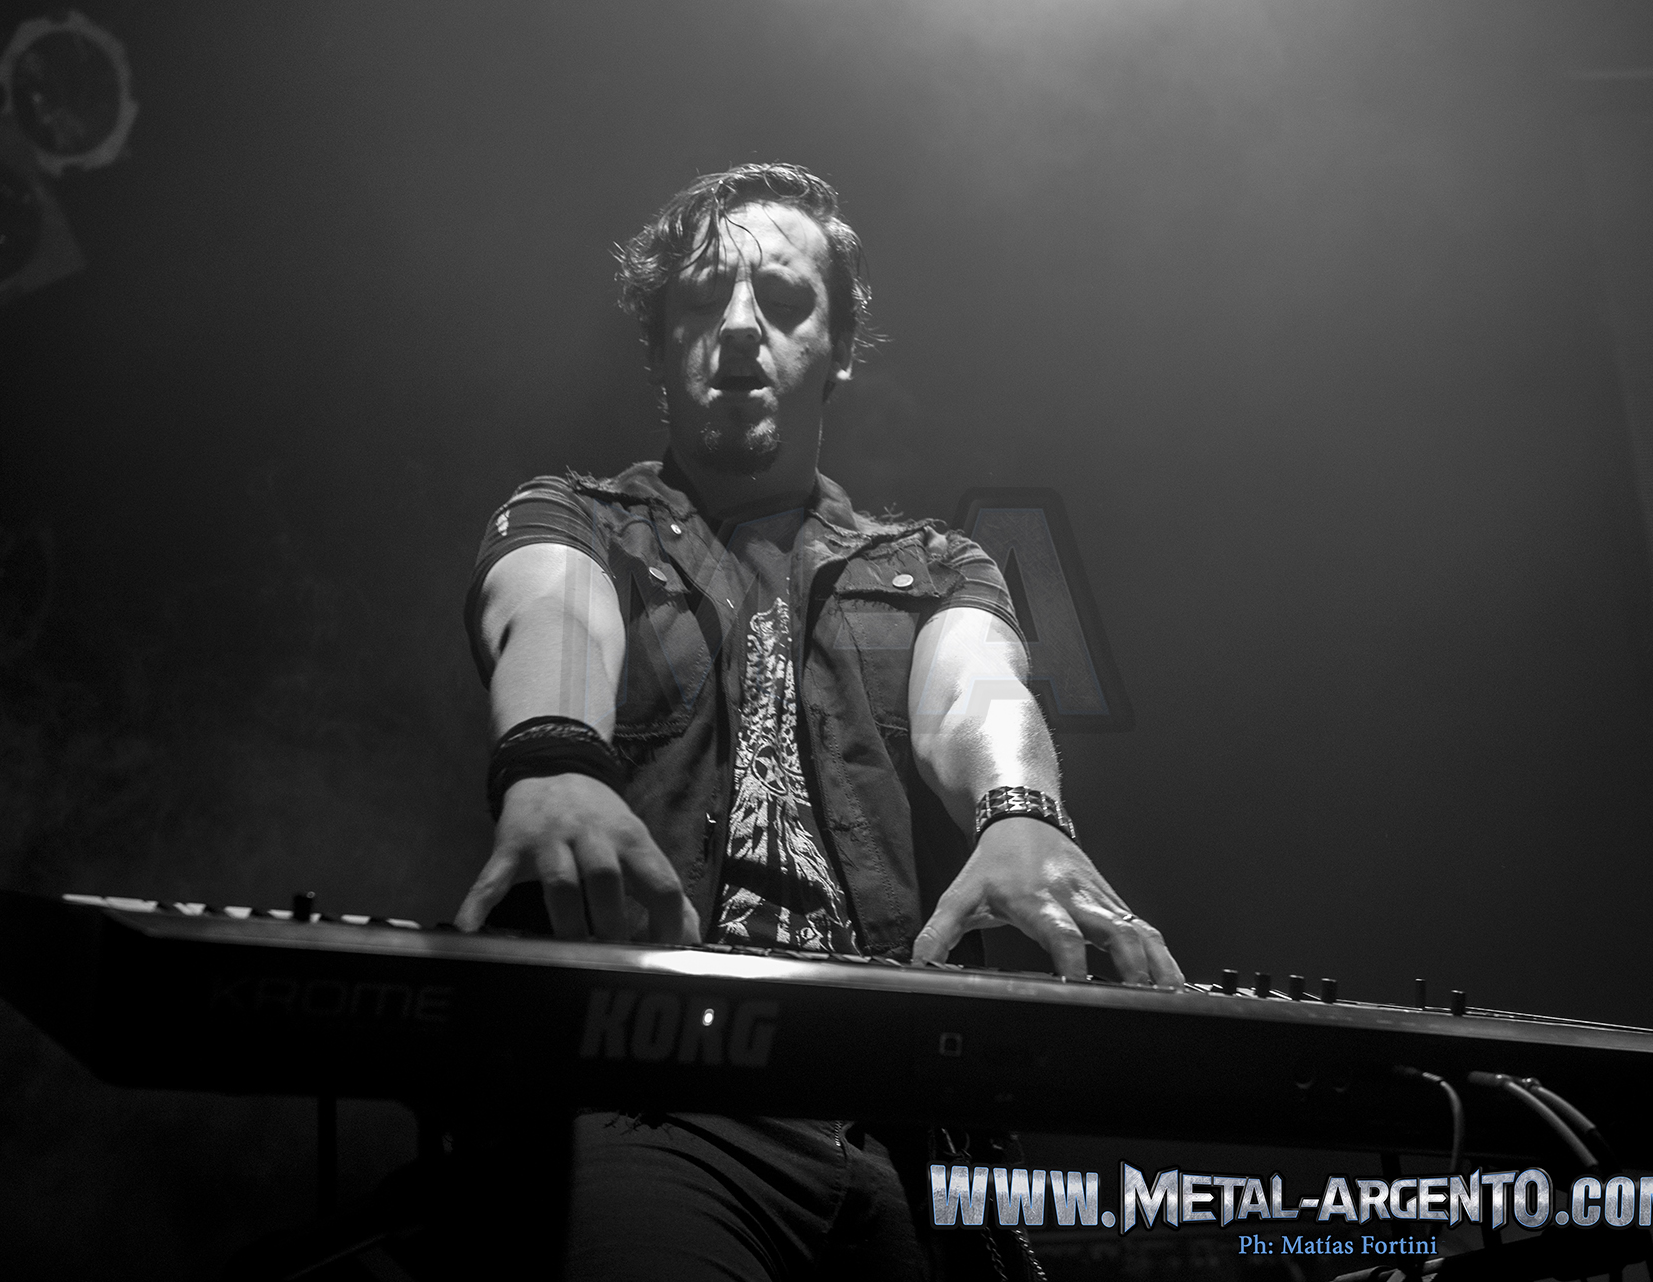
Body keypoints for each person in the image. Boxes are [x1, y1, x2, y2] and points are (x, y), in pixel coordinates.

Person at [457, 162, 1181, 1281]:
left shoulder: (932, 564)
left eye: (785, 300)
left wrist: (1020, 811)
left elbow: (976, 683)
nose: (741, 327)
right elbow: (551, 605)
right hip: (661, 1095)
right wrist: (555, 756)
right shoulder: (581, 519)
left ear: (837, 348)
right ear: (659, 345)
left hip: (907, 1124)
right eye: (704, 299)